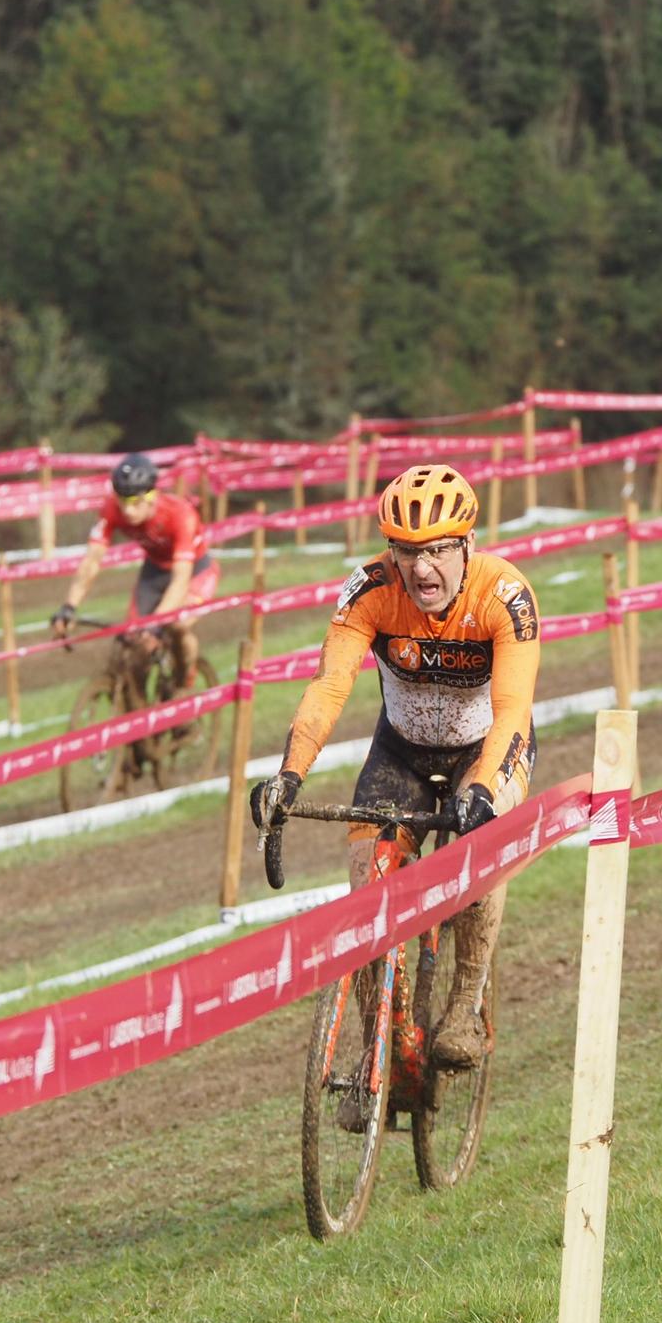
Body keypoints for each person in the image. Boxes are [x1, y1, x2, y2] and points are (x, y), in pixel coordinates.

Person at [249, 463, 539, 1096]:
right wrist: (288, 776)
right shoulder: (369, 591)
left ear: (467, 545)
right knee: (365, 893)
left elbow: (514, 710)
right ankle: (386, 1044)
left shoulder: (505, 595)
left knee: (477, 855)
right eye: (407, 552)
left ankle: (466, 1000)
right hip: (400, 751)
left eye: (437, 550)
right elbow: (329, 686)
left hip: (485, 752)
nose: (423, 568)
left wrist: (484, 792)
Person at [50, 453, 219, 687]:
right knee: (132, 639)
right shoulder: (112, 510)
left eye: (135, 502)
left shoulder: (180, 515)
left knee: (177, 625)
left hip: (195, 573)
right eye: (122, 501)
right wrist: (69, 606)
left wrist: (158, 624)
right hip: (155, 570)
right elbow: (91, 560)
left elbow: (181, 579)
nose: (128, 511)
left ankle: (184, 684)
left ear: (151, 497)